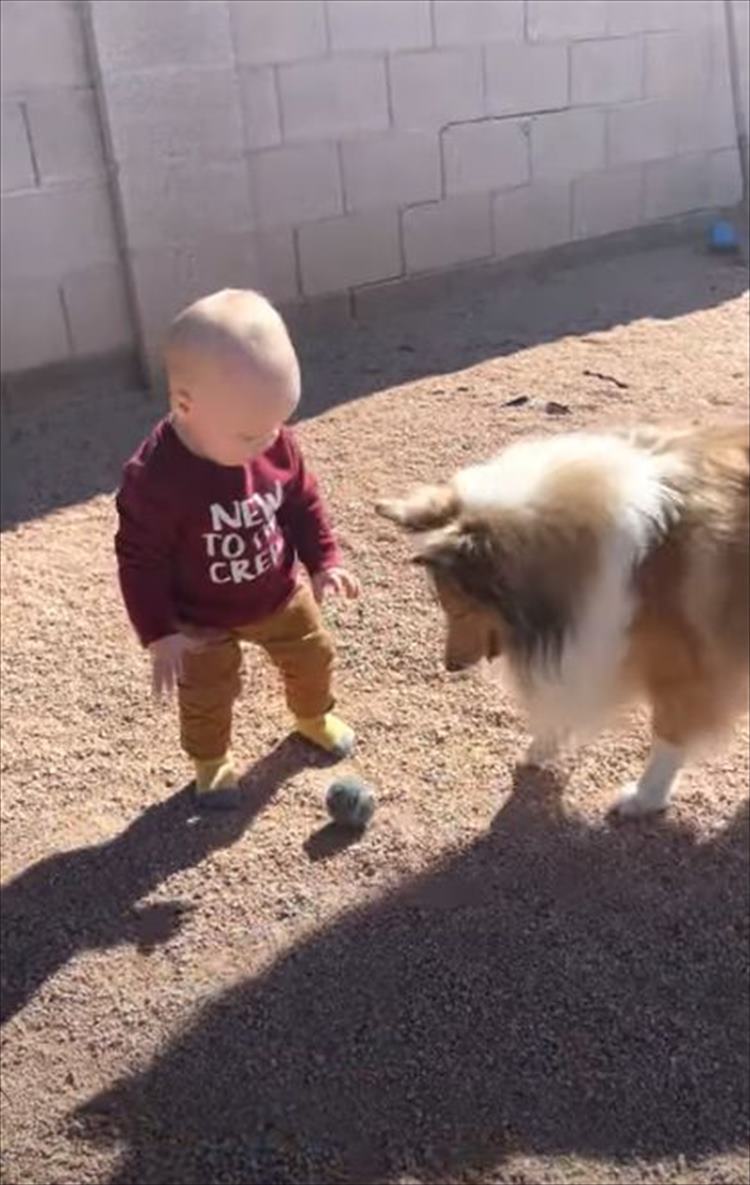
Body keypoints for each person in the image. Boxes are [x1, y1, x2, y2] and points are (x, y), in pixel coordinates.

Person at [115, 289, 359, 807]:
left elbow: (301, 500)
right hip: (199, 616)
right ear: (186, 405)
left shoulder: (272, 439)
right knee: (207, 693)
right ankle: (211, 761)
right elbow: (140, 559)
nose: (270, 440)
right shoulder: (155, 479)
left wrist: (322, 560)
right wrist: (159, 632)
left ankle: (312, 716)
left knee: (314, 653)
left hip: (276, 591)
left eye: (278, 424)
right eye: (252, 433)